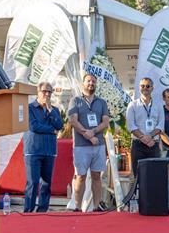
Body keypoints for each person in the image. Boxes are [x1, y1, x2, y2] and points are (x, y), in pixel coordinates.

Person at [68, 74, 111, 212]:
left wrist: (93, 132)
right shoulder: (75, 101)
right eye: (88, 81)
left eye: (93, 81)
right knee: (80, 176)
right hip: (81, 146)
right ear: (83, 84)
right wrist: (87, 135)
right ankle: (78, 206)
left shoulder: (102, 102)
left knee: (96, 176)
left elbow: (105, 122)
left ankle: (96, 205)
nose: (91, 83)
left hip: (98, 146)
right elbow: (73, 121)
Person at [24, 82, 63, 213]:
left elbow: (59, 125)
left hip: (49, 151)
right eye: (44, 91)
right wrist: (51, 130)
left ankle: (42, 211)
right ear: (38, 92)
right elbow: (34, 127)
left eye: (49, 92)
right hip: (33, 151)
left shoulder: (55, 110)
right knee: (33, 183)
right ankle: (28, 211)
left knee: (46, 184)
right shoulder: (29, 108)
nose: (47, 94)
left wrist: (50, 110)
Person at [126, 77, 165, 185]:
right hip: (138, 145)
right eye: (142, 86)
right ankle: (141, 201)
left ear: (152, 88)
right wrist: (144, 138)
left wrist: (150, 137)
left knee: (154, 176)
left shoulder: (158, 105)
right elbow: (131, 126)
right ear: (139, 88)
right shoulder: (132, 105)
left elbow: (161, 125)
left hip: (154, 145)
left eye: (148, 86)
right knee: (138, 177)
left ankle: (152, 201)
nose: (145, 88)